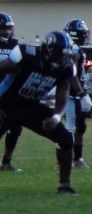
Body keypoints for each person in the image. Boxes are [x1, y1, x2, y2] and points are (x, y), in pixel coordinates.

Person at [0, 31, 77, 194]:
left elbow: (63, 92)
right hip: (6, 104)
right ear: (48, 51)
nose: (64, 58)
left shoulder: (66, 68)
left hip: (31, 107)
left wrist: (56, 116)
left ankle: (64, 185)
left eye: (66, 54)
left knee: (65, 138)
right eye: (60, 54)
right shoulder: (27, 55)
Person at [63, 19, 92, 169]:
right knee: (70, 127)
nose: (85, 36)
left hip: (77, 92)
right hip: (72, 94)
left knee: (80, 127)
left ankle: (77, 159)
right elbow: (71, 74)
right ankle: (63, 160)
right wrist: (81, 93)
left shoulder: (75, 48)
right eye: (83, 33)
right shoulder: (73, 49)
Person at [0, 13, 24, 172]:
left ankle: (6, 162)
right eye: (3, 28)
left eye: (9, 28)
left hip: (11, 92)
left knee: (16, 127)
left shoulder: (16, 45)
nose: (7, 31)